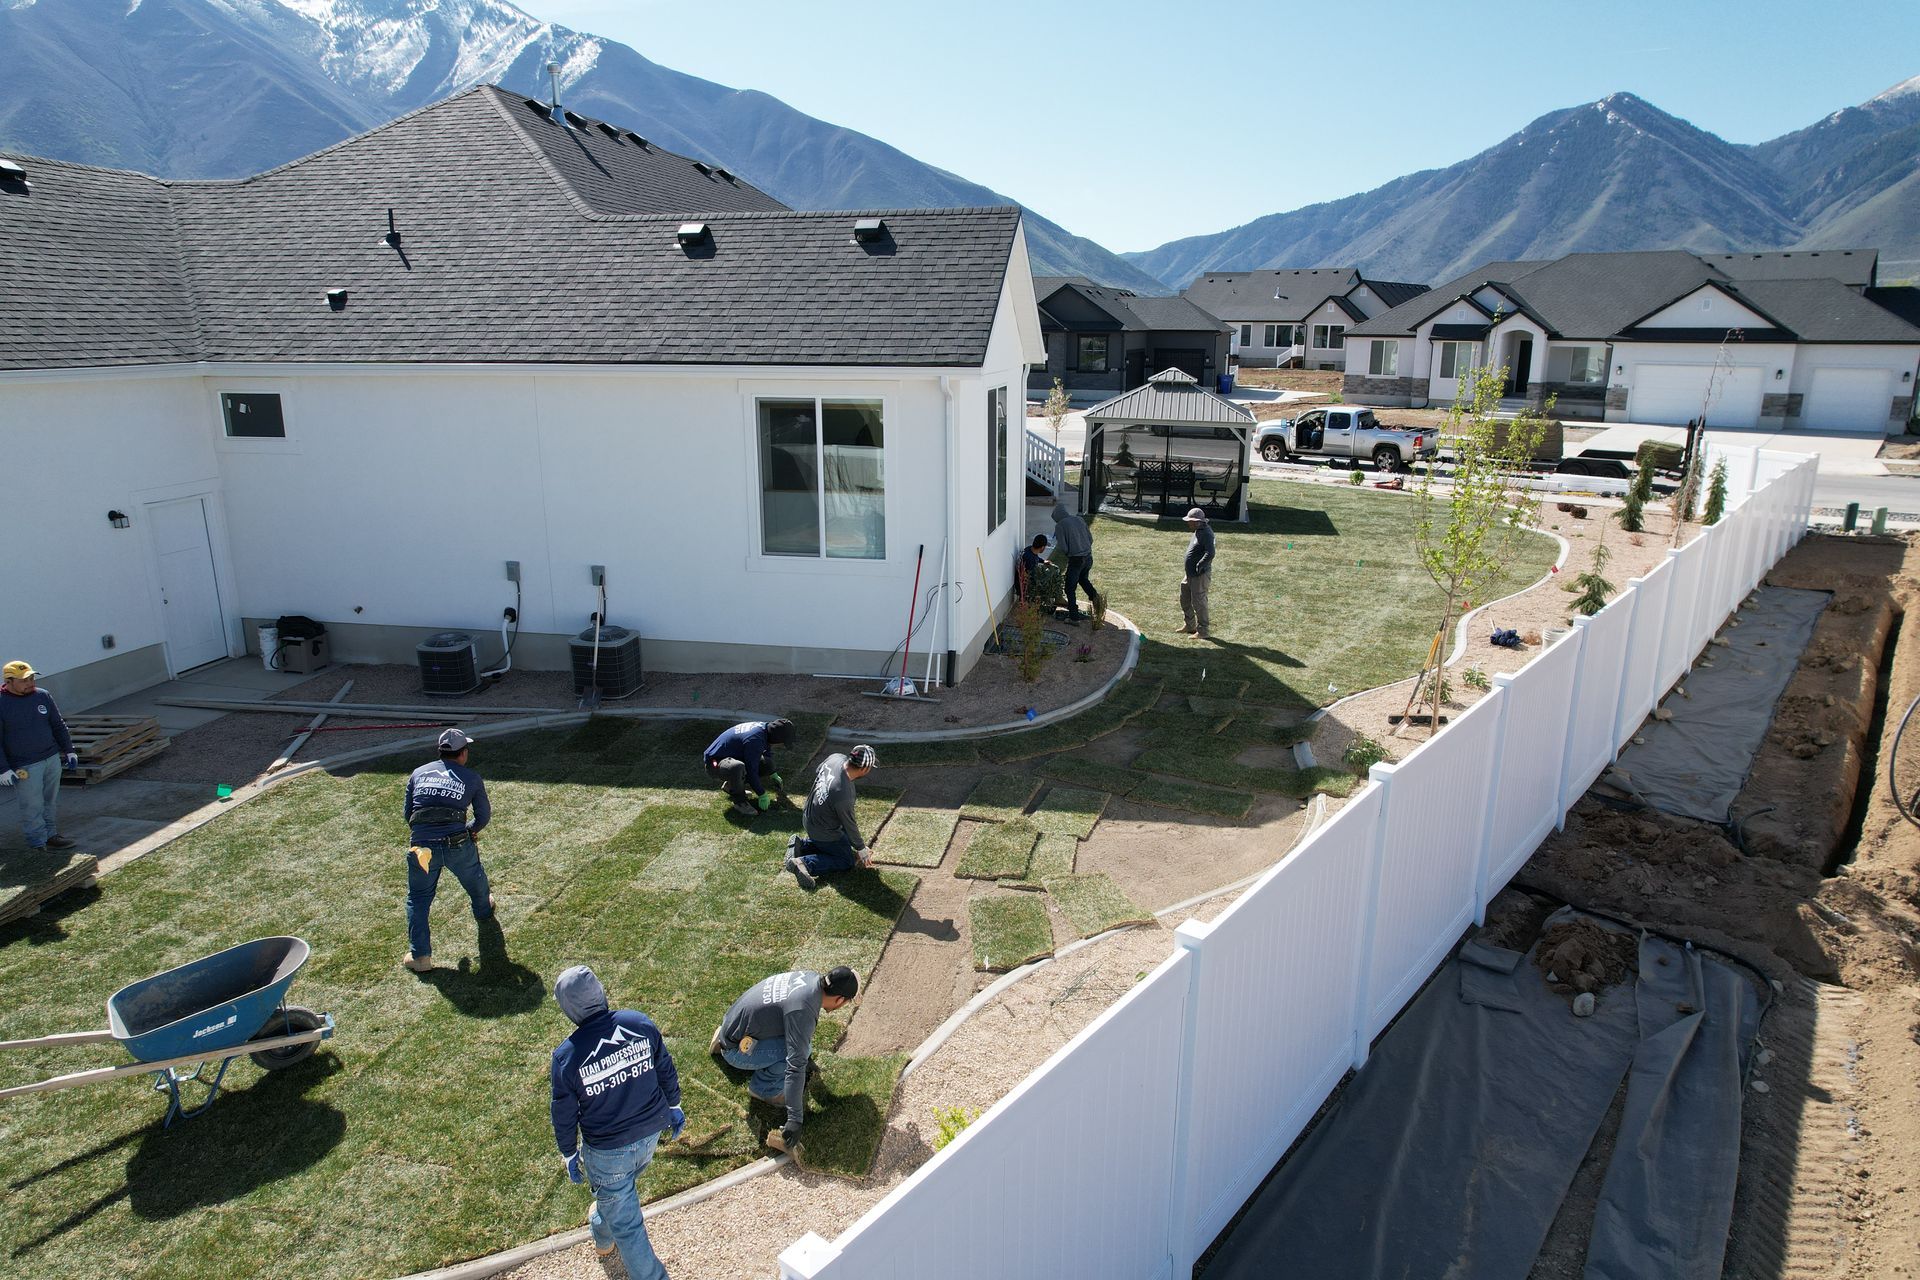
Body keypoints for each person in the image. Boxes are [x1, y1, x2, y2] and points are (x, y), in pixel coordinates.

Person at [550, 965, 682, 1280]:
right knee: (615, 1198)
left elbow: (563, 1113)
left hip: (608, 1154)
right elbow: (664, 1066)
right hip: (650, 1135)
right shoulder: (638, 1023)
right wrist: (674, 1104)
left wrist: (569, 1152)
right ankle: (601, 1230)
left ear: (569, 1008)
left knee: (628, 1225)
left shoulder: (566, 1057)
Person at [708, 966, 859, 1158]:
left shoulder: (810, 979)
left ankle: (725, 1038)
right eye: (847, 1002)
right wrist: (795, 1120)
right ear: (839, 999)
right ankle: (763, 1088)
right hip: (736, 1049)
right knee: (798, 1053)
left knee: (802, 1046)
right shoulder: (802, 1009)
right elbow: (795, 1066)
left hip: (734, 1023)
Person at [401, 727, 495, 973]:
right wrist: (470, 830)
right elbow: (483, 816)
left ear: (440, 751)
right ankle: (483, 910)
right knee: (474, 877)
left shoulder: (418, 773)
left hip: (422, 849)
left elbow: (409, 814)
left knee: (418, 898)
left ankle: (420, 957)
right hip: (457, 843)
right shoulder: (471, 778)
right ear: (463, 753)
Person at [0, 661, 79, 851]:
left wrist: (69, 750)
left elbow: (58, 725)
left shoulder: (42, 695)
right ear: (9, 681)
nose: (30, 683)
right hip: (25, 765)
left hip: (51, 758)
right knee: (32, 805)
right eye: (24, 680)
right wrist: (3, 769)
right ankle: (37, 843)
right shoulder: (2, 703)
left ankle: (51, 835)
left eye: (32, 678)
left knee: (49, 800)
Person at [783, 745, 878, 891]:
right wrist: (861, 848)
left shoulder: (836, 758)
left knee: (842, 843)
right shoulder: (844, 793)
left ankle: (801, 845)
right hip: (822, 830)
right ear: (865, 769)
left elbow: (818, 771)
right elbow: (849, 824)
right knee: (846, 859)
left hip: (809, 815)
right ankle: (804, 863)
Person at [703, 718, 793, 817]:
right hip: (715, 763)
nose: (781, 745)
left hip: (731, 757)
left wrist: (772, 773)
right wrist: (761, 794)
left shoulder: (766, 729)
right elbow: (751, 771)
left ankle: (731, 786)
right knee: (737, 767)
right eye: (782, 742)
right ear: (776, 738)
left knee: (766, 763)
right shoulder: (755, 740)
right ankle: (740, 802)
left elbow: (766, 752)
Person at [1051, 500, 1104, 627]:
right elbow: (1090, 539)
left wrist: (1070, 552)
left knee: (1069, 588)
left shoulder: (1060, 525)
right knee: (1083, 580)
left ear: (1057, 517)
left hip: (1076, 559)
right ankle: (1098, 603)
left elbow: (1063, 546)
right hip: (1088, 557)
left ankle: (1074, 618)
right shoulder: (1079, 519)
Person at [1179, 506, 1216, 639]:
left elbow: (1210, 553)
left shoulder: (1206, 533)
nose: (1188, 523)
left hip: (1199, 575)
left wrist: (1200, 565)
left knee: (1199, 602)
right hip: (1190, 574)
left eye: (1190, 521)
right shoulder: (1198, 531)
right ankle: (1190, 625)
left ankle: (1203, 631)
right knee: (1184, 597)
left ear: (1197, 522)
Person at [1016, 534, 1049, 603]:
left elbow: (1036, 557)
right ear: (1042, 547)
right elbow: (1032, 577)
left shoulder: (1029, 549)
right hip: (1024, 587)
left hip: (1021, 582)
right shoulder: (1030, 560)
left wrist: (1043, 561)